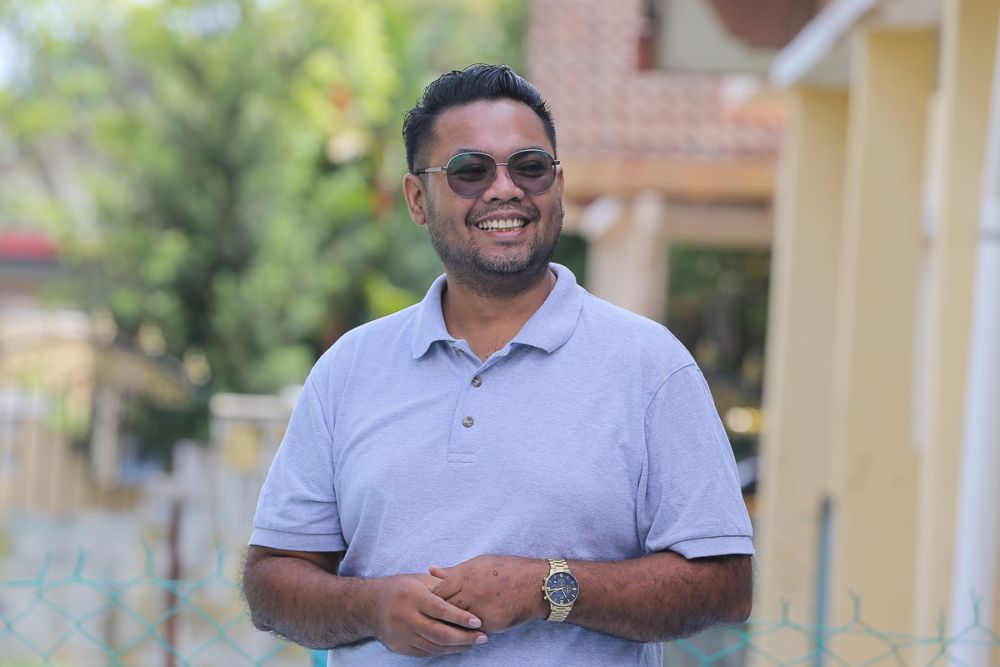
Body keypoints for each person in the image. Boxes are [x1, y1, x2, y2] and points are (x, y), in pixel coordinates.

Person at [242, 64, 753, 666]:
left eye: (530, 167)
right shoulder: (350, 369)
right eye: (470, 171)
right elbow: (271, 582)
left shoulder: (649, 366)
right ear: (416, 199)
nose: (504, 189)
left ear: (557, 185)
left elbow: (725, 586)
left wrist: (549, 589)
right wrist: (372, 607)